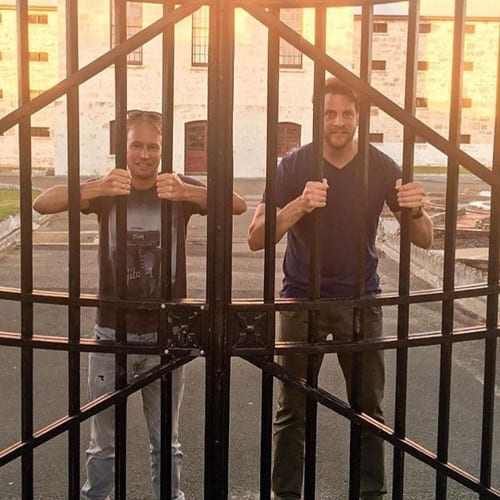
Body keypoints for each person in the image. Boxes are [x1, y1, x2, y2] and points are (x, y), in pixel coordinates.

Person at [33, 109, 247, 500]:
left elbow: (236, 204)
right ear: (124, 148)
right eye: (137, 145)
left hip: (164, 337)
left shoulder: (174, 188)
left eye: (153, 146)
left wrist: (188, 193)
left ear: (163, 150)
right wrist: (95, 187)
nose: (145, 154)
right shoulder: (109, 189)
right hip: (110, 334)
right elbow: (42, 204)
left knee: (166, 442)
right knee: (102, 445)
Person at [247, 77, 433, 500]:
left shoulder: (382, 166)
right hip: (300, 300)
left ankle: (371, 495)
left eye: (347, 114)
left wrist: (416, 208)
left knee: (369, 412)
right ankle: (286, 495)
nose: (339, 122)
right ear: (319, 116)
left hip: (360, 301)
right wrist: (298, 205)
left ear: (359, 118)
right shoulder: (293, 166)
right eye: (330, 113)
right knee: (292, 411)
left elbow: (425, 238)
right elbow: (256, 237)